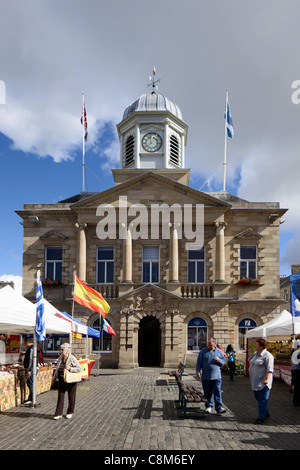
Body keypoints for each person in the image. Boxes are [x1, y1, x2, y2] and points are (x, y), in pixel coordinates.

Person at [196, 337, 226, 414]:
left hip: (217, 377)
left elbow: (223, 363)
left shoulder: (219, 351)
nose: (208, 344)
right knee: (207, 392)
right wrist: (198, 371)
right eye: (208, 343)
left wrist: (218, 360)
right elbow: (199, 362)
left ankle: (219, 407)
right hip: (206, 376)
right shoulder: (203, 351)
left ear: (214, 343)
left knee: (217, 392)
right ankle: (209, 406)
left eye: (210, 343)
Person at [52, 343, 81, 420]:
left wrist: (70, 368)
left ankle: (70, 412)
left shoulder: (72, 358)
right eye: (61, 349)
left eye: (62, 350)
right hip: (61, 379)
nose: (61, 351)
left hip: (71, 380)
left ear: (67, 350)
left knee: (71, 396)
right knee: (60, 396)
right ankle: (58, 413)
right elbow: (57, 369)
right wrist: (54, 379)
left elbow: (79, 368)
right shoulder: (60, 358)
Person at [249, 338, 274, 424]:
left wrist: (267, 379)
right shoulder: (255, 354)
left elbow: (270, 369)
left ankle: (261, 417)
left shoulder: (268, 356)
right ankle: (265, 412)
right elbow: (252, 361)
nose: (255, 346)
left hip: (263, 382)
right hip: (255, 381)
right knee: (258, 398)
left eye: (256, 345)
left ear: (261, 346)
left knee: (263, 399)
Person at [23, 337, 37, 405]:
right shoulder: (32, 348)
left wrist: (29, 370)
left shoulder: (31, 348)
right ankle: (30, 398)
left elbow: (31, 360)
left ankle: (33, 399)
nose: (24, 343)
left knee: (30, 384)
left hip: (31, 369)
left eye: (24, 342)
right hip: (31, 368)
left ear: (27, 342)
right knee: (30, 383)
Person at [291, 340, 300, 406]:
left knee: (296, 387)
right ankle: (297, 401)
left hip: (294, 371)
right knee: (298, 387)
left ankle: (295, 401)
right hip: (297, 371)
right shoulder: (297, 353)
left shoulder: (293, 352)